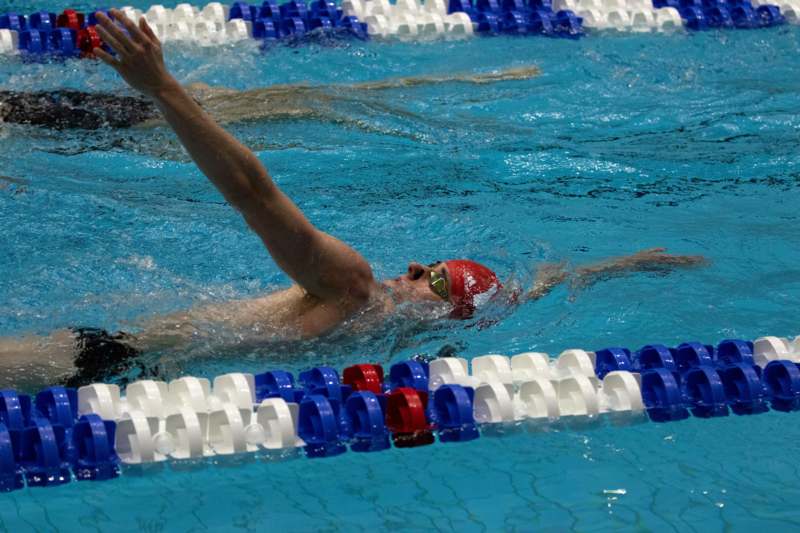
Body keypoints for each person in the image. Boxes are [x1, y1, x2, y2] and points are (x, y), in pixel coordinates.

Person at [0, 10, 706, 389]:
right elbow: (514, 295)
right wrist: (615, 267)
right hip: (104, 360)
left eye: (430, 277)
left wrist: (163, 89)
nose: (412, 268)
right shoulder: (370, 314)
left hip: (103, 366)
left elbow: (253, 193)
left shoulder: (361, 296)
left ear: (441, 316)